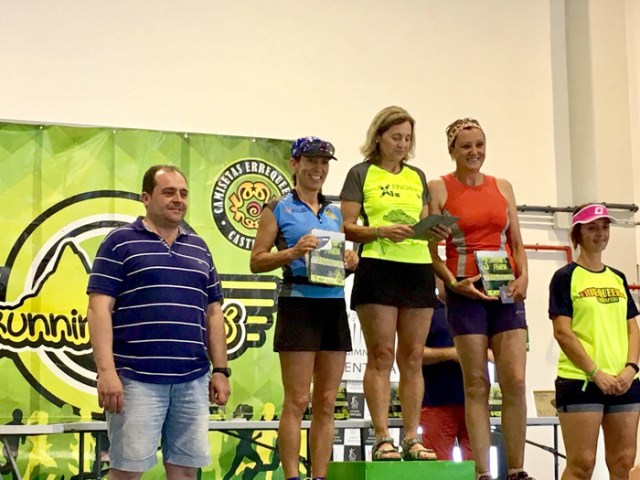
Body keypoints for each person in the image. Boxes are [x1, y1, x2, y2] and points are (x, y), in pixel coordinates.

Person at [87, 165, 230, 480]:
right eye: (168, 192)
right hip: (136, 380)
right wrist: (107, 372)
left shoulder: (199, 248)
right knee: (127, 473)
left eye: (183, 193)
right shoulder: (119, 242)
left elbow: (214, 312)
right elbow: (98, 309)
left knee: (186, 473)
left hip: (193, 380)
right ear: (146, 198)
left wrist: (220, 370)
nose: (178, 199)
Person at [340, 106, 447, 461]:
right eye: (396, 137)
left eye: (407, 138)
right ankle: (382, 436)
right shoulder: (360, 173)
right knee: (382, 354)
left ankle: (412, 437)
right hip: (378, 267)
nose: (402, 144)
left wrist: (435, 229)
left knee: (413, 356)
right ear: (379, 137)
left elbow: (424, 223)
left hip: (417, 269)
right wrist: (380, 231)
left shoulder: (417, 176)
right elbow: (346, 226)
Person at [428, 118, 531, 480]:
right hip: (466, 291)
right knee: (476, 383)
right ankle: (483, 471)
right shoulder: (439, 187)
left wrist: (524, 277)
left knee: (515, 379)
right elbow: (430, 251)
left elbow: (516, 241)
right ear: (452, 150)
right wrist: (452, 283)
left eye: (480, 145)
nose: (474, 152)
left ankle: (516, 469)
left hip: (505, 289)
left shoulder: (502, 186)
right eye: (466, 146)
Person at [250, 136, 358, 480]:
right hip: (298, 305)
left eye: (324, 163)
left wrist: (350, 262)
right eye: (311, 161)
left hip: (333, 305)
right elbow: (256, 261)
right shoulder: (277, 208)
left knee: (327, 401)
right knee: (297, 400)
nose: (318, 169)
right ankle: (292, 476)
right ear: (295, 164)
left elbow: (336, 262)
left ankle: (320, 476)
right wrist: (292, 252)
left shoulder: (334, 212)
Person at [549, 203, 640, 480]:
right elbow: (562, 332)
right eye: (592, 228)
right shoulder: (565, 277)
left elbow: (633, 329)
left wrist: (631, 368)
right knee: (582, 464)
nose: (600, 233)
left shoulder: (617, 278)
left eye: (605, 227)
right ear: (578, 234)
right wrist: (595, 372)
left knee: (623, 462)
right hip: (582, 380)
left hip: (624, 381)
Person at [420, 278, 473, 462]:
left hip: (474, 402)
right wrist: (452, 354)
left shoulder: (475, 310)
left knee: (478, 468)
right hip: (436, 402)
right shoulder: (427, 311)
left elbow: (494, 352)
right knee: (438, 468)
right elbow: (413, 354)